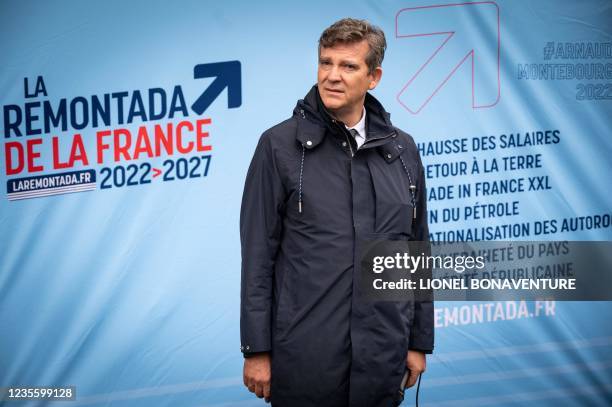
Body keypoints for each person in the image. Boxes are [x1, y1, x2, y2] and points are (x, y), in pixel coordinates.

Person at [240, 18, 433, 406]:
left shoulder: (403, 151)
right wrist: (256, 349)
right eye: (326, 63)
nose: (332, 76)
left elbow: (416, 252)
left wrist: (417, 342)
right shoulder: (278, 147)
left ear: (373, 77)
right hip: (306, 358)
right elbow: (258, 256)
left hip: (383, 356)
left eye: (348, 66)